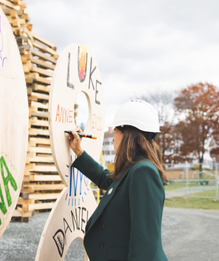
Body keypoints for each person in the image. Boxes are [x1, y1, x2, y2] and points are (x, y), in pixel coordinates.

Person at [68, 99, 168, 261]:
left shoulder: (143, 172)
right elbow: (109, 182)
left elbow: (144, 245)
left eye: (116, 133)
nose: (113, 139)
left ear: (129, 136)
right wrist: (79, 151)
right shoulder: (134, 169)